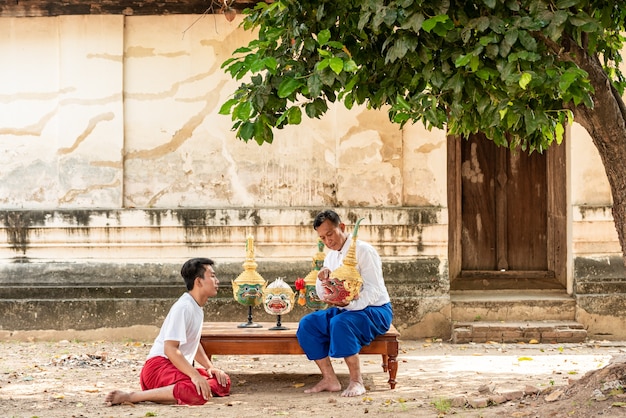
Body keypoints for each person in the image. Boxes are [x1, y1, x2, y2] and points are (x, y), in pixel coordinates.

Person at [105, 257, 231, 406]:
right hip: (157, 368)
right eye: (212, 276)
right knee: (196, 392)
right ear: (198, 281)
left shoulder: (197, 307)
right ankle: (132, 396)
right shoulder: (183, 307)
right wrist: (195, 375)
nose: (217, 281)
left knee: (223, 381)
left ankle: (173, 391)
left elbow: (193, 342)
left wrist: (211, 368)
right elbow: (170, 349)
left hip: (175, 367)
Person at [296, 210, 393, 397]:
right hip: (346, 310)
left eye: (330, 234)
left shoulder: (364, 250)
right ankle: (330, 379)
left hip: (375, 310)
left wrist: (349, 305)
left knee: (340, 323)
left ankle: (357, 382)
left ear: (342, 227)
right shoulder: (331, 256)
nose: (328, 241)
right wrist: (321, 280)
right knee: (308, 324)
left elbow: (374, 289)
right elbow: (326, 293)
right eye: (322, 238)